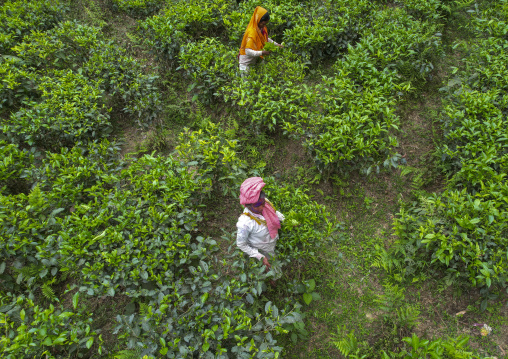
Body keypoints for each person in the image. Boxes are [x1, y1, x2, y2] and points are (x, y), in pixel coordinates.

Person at [236, 177, 285, 274]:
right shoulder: (245, 223)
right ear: (249, 206)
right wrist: (260, 256)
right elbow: (241, 244)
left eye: (263, 203)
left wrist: (286, 221)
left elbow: (274, 213)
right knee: (270, 270)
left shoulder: (265, 204)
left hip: (272, 243)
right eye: (258, 205)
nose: (263, 207)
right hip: (263, 250)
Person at [238, 6, 283, 72]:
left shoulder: (261, 28)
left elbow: (265, 38)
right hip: (246, 64)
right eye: (263, 23)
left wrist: (276, 45)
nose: (264, 26)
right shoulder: (252, 32)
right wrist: (262, 52)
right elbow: (247, 51)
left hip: (255, 61)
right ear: (258, 20)